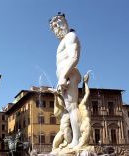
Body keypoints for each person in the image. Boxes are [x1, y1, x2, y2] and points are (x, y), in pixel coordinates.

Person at [49, 13, 82, 149]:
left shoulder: (70, 36)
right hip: (65, 76)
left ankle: (77, 140)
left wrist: (63, 76)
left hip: (69, 75)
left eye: (59, 24)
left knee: (72, 107)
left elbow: (74, 57)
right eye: (54, 27)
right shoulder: (64, 41)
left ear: (65, 23)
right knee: (68, 109)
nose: (56, 29)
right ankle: (73, 139)